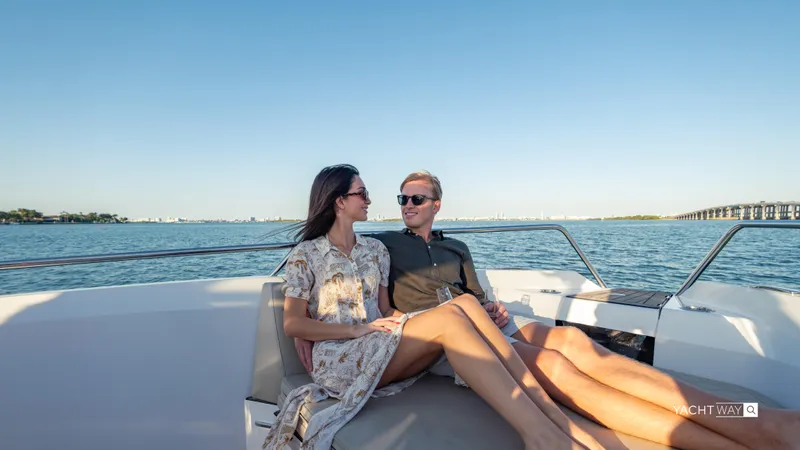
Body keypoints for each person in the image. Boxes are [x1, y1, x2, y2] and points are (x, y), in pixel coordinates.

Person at [360, 170, 798, 450]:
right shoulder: (384, 243)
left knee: (575, 342)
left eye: (417, 199)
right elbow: (332, 243)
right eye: (402, 199)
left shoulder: (457, 246)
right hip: (449, 340)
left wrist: (491, 307)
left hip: (489, 324)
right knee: (557, 365)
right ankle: (739, 440)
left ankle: (748, 418)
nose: (408, 206)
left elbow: (474, 294)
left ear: (436, 205)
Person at [263, 164, 605, 450]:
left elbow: (385, 311)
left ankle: (551, 420)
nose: (370, 200)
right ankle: (543, 435)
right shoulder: (306, 255)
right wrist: (356, 329)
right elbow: (293, 324)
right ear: (339, 201)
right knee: (454, 316)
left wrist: (419, 319)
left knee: (466, 304)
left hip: (379, 340)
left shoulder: (375, 251)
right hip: (340, 357)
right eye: (362, 193)